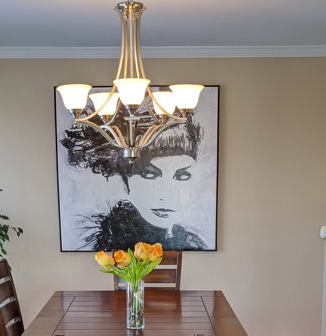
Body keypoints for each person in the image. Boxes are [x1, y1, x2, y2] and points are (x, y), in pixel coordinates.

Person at [57, 97, 215, 251]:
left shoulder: (190, 241)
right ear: (125, 181)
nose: (165, 195)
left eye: (181, 176)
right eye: (149, 175)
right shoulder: (111, 245)